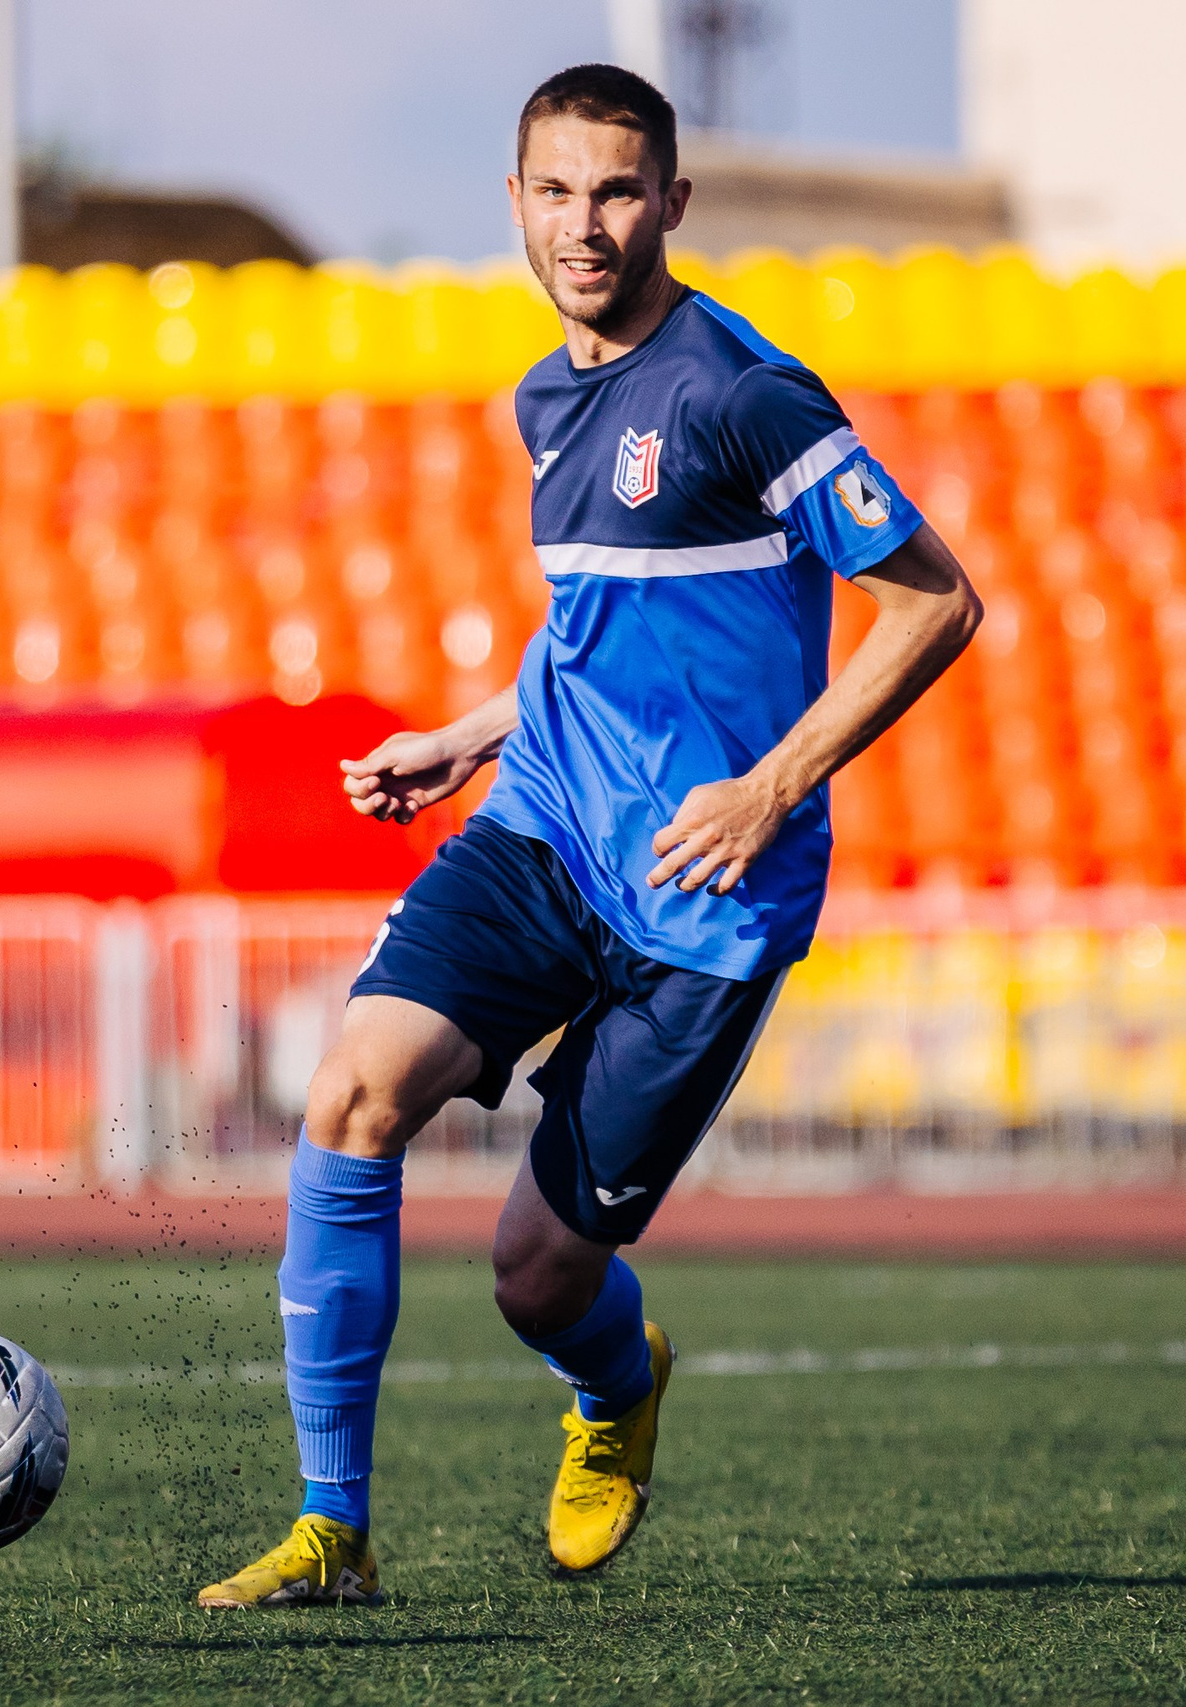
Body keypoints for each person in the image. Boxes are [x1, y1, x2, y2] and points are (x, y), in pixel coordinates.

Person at [196, 65, 981, 1609]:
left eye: (619, 190)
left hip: (706, 892)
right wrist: (468, 733)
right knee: (350, 1094)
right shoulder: (544, 398)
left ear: (673, 204)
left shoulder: (745, 391)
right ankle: (331, 1530)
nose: (586, 224)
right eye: (556, 191)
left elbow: (936, 601)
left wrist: (769, 786)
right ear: (512, 202)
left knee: (535, 1275)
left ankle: (617, 1385)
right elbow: (598, 622)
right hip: (547, 827)